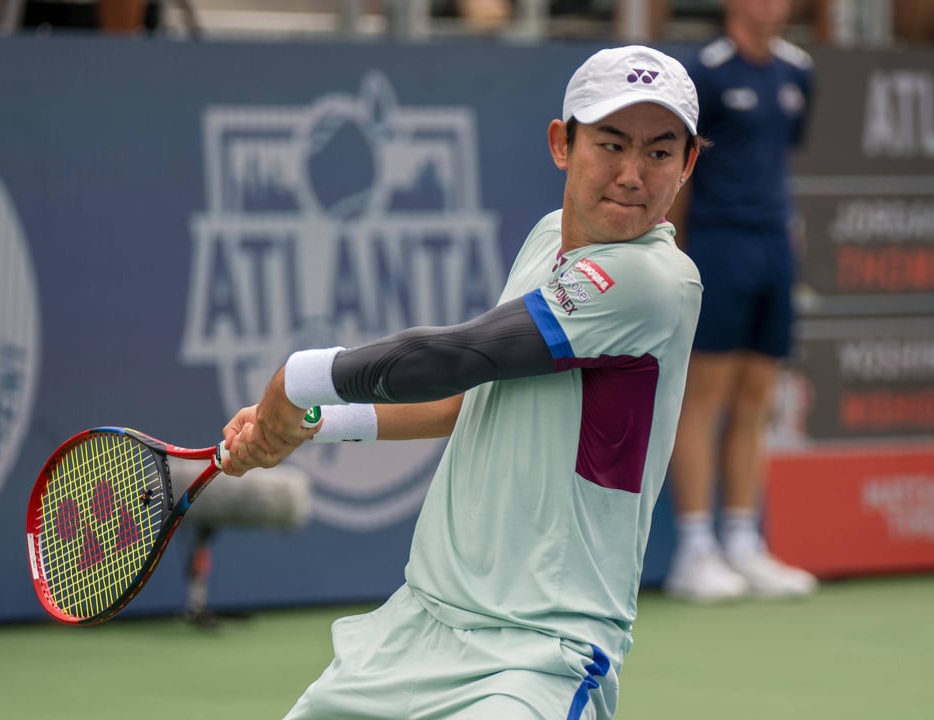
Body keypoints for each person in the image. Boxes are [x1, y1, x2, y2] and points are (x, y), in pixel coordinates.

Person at [221, 45, 703, 720]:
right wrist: (317, 426)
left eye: (658, 152)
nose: (631, 174)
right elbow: (471, 398)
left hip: (538, 656)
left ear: (687, 164)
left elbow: (459, 357)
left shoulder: (654, 282)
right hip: (417, 624)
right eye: (611, 143)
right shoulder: (546, 241)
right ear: (562, 144)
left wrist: (296, 383)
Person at [663, 0, 818, 602]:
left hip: (775, 247)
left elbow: (780, 159)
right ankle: (695, 550)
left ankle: (743, 540)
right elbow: (682, 169)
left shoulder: (798, 71)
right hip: (718, 245)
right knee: (706, 395)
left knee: (758, 395)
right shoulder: (705, 71)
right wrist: (674, 252)